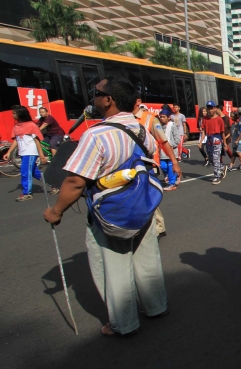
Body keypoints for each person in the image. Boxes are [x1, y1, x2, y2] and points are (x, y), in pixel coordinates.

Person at [43, 77, 168, 336]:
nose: (94, 97)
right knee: (146, 258)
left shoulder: (95, 134)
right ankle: (156, 306)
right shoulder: (141, 128)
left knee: (114, 265)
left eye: (96, 93)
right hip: (142, 205)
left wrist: (56, 212)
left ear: (108, 100)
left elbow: (77, 181)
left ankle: (124, 323)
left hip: (109, 211)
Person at [133, 98, 182, 239]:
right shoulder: (120, 118)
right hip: (129, 167)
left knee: (147, 196)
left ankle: (158, 227)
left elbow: (164, 141)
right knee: (140, 196)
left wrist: (175, 161)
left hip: (147, 164)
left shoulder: (149, 119)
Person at [3, 105, 48, 201]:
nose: (12, 115)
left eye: (14, 113)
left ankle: (27, 193)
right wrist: (9, 152)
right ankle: (53, 184)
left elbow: (37, 141)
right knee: (34, 172)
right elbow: (16, 140)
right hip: (23, 153)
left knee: (25, 173)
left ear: (20, 114)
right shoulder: (16, 126)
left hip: (30, 152)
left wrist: (41, 155)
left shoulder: (31, 125)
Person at [200, 101, 227, 184]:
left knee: (216, 158)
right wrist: (201, 141)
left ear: (215, 108)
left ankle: (217, 176)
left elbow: (222, 132)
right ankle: (222, 167)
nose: (209, 110)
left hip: (217, 139)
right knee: (211, 159)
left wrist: (225, 143)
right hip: (209, 139)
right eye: (208, 108)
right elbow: (204, 131)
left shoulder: (219, 119)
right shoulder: (205, 119)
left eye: (211, 108)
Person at [158, 109, 181, 190]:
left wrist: (172, 145)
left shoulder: (172, 125)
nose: (161, 118)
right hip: (162, 152)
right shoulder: (158, 126)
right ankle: (176, 175)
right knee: (163, 166)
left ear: (168, 117)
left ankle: (172, 184)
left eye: (163, 117)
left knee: (170, 167)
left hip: (171, 152)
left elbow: (177, 139)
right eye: (160, 117)